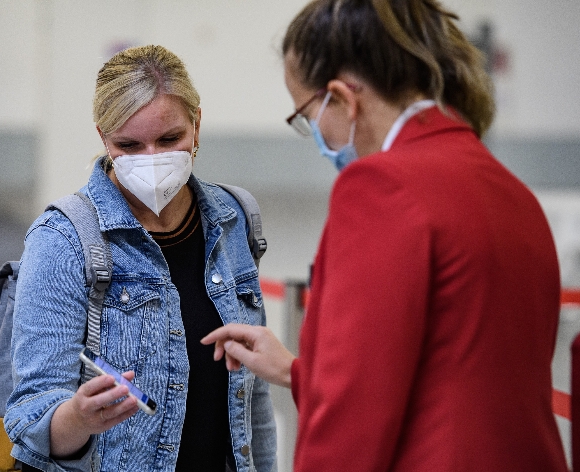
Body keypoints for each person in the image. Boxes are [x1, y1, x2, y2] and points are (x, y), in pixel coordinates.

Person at [202, 0, 568, 470]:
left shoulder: (379, 187)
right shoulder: (509, 189)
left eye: (307, 118)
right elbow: (451, 368)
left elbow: (352, 419)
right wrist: (297, 371)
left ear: (341, 96)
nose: (316, 137)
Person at [4, 44, 277, 472]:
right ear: (103, 138)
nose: (152, 161)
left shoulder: (233, 218)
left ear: (197, 124)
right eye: (129, 145)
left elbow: (251, 397)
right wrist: (77, 418)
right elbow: (30, 416)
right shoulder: (63, 239)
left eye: (170, 139)